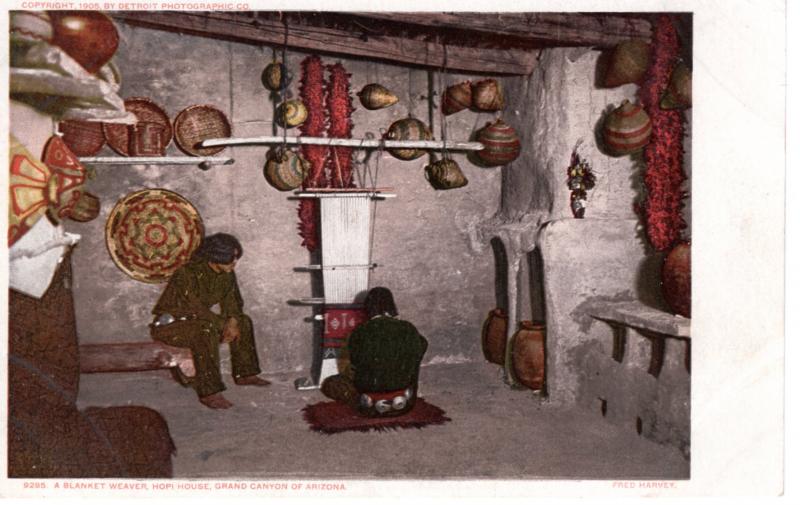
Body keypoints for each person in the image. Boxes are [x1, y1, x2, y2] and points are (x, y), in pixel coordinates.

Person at [150, 233, 270, 409]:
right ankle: (210, 392)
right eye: (230, 260)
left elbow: (233, 302)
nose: (234, 264)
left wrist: (233, 322)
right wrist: (223, 325)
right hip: (171, 326)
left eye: (235, 259)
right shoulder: (187, 273)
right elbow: (195, 308)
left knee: (244, 321)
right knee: (205, 331)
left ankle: (245, 374)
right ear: (214, 258)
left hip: (199, 321)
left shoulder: (226, 274)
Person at [321, 287, 428, 417]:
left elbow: (353, 362)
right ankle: (399, 398)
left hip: (369, 393)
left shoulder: (359, 332)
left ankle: (370, 401)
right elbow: (423, 344)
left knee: (330, 383)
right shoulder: (408, 327)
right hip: (404, 397)